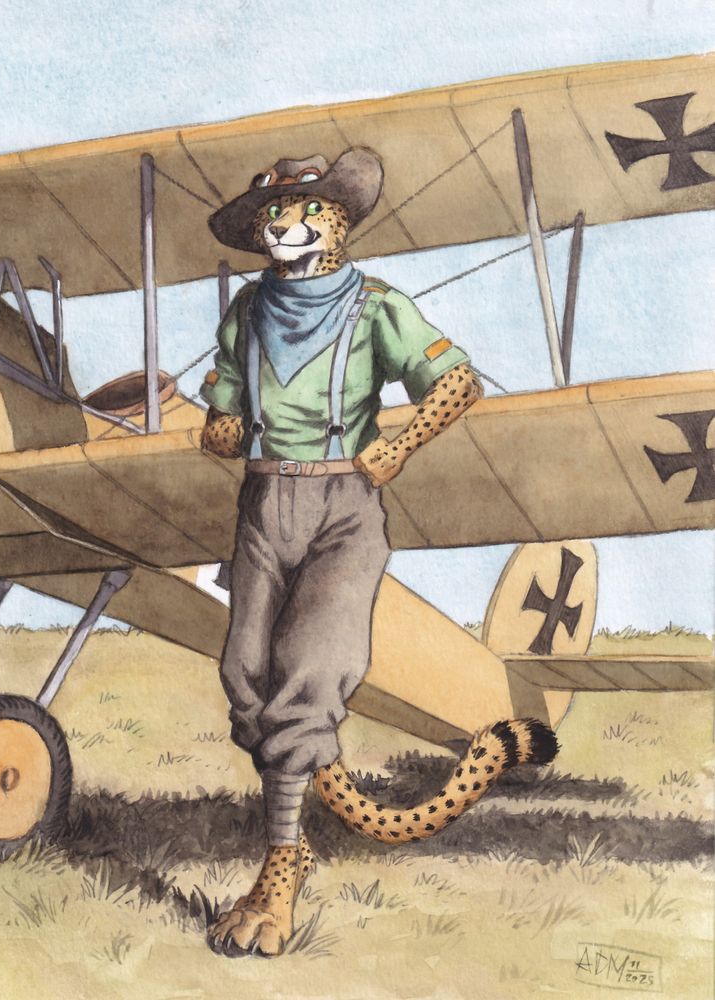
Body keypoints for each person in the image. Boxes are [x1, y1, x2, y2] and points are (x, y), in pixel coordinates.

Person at [199, 147, 483, 955]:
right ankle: (292, 826)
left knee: (310, 667)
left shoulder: (375, 307)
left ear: (339, 222)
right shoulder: (246, 309)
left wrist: (400, 444)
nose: (282, 224)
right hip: (263, 501)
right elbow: (224, 410)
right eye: (271, 214)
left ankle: (280, 863)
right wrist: (221, 426)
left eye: (304, 210)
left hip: (342, 507)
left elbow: (457, 382)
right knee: (244, 673)